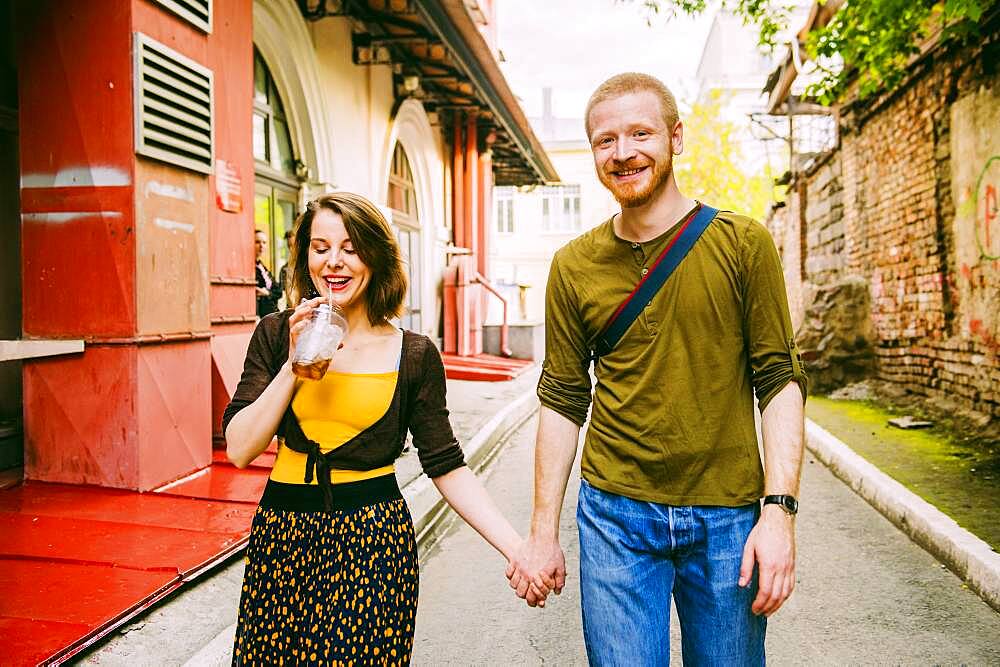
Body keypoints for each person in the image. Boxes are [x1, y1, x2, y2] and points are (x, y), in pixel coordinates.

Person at [506, 72, 808, 665]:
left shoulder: (743, 244)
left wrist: (779, 513)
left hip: (728, 517)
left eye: (640, 133)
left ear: (675, 137)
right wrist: (542, 532)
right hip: (616, 514)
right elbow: (563, 398)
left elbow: (778, 381)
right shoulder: (573, 267)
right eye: (605, 140)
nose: (623, 153)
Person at [224, 192, 522, 665]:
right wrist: (294, 362)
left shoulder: (415, 354)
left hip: (374, 545)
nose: (334, 262)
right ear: (305, 257)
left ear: (376, 255)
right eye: (320, 248)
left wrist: (517, 549)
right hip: (283, 540)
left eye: (351, 247)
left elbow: (446, 465)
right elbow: (240, 448)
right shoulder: (277, 333)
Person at [255, 229, 282, 317]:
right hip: (261, 317)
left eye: (264, 242)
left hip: (273, 315)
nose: (261, 246)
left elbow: (279, 291)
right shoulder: (250, 268)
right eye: (257, 242)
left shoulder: (262, 267)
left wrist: (266, 292)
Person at [278, 229, 295, 308]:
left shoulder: (311, 265)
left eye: (294, 245)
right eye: (289, 246)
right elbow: (284, 294)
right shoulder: (284, 269)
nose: (291, 249)